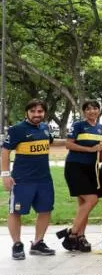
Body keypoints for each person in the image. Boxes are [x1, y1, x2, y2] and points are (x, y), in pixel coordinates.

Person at [2, 99, 57, 259]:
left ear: (44, 113)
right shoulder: (17, 129)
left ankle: (38, 243)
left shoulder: (45, 128)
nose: (36, 114)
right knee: (15, 211)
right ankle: (17, 245)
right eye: (32, 111)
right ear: (27, 112)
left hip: (44, 179)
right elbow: (5, 151)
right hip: (22, 180)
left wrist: (79, 144)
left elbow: (51, 142)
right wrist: (5, 174)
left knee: (45, 210)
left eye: (39, 111)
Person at [60, 100, 102, 253]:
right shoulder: (78, 125)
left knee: (83, 205)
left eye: (95, 108)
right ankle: (72, 234)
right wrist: (90, 149)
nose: (92, 111)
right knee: (92, 199)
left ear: (99, 111)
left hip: (92, 169)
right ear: (84, 112)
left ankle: (81, 237)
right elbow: (68, 144)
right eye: (88, 109)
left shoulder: (101, 128)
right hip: (75, 167)